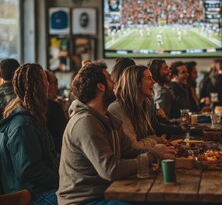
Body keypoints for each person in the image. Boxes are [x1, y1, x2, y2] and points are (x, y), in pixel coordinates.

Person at [58, 61, 174, 205]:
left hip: (107, 191)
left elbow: (129, 150)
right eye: (110, 79)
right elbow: (111, 170)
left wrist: (159, 151)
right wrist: (153, 155)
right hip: (84, 200)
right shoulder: (85, 122)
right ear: (100, 87)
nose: (116, 83)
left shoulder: (108, 117)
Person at [0, 63, 58, 204]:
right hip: (32, 195)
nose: (48, 86)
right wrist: (64, 178)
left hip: (36, 191)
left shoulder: (28, 118)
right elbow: (31, 172)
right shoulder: (23, 124)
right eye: (45, 81)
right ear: (38, 86)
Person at [108, 65, 165, 149]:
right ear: (137, 83)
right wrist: (156, 141)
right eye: (149, 78)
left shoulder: (146, 103)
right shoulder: (118, 108)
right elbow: (133, 146)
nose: (154, 82)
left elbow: (150, 134)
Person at [45, 70, 67, 155]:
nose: (57, 87)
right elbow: (64, 133)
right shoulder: (53, 107)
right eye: (55, 83)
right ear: (46, 84)